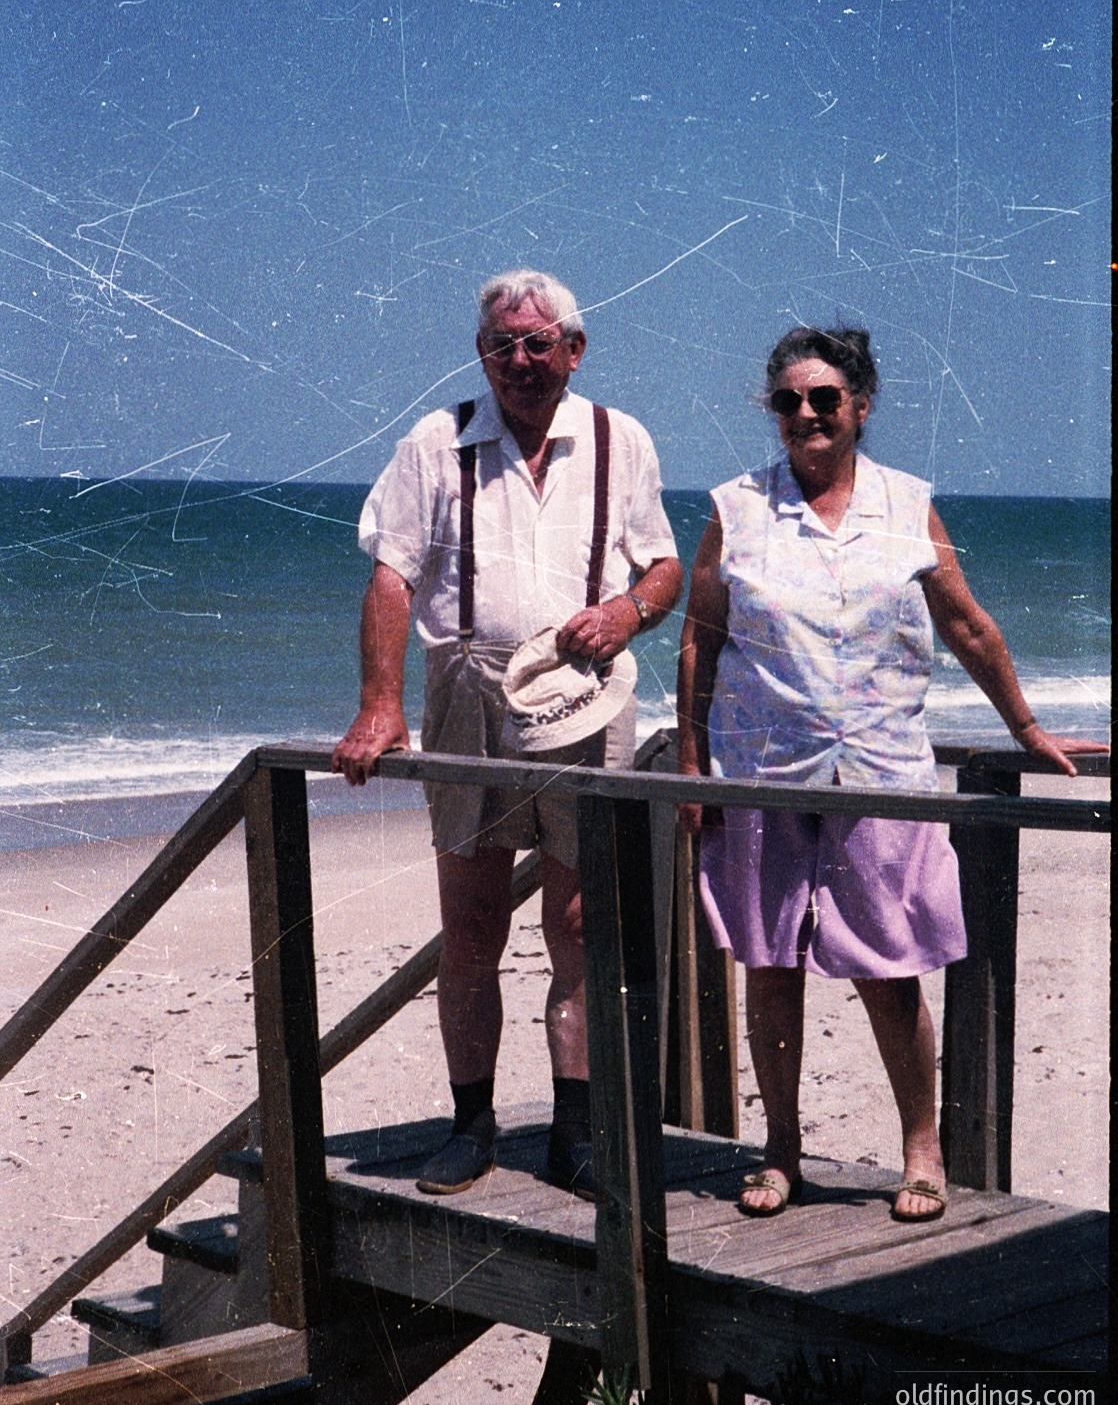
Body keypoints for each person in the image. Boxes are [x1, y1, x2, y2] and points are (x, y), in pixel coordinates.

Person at [675, 326, 1104, 1222]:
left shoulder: (909, 506)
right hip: (763, 770)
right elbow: (700, 640)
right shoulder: (736, 507)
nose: (806, 414)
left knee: (889, 965)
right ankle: (781, 1149)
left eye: (825, 399)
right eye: (789, 400)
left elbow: (968, 626)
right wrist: (688, 761)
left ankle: (922, 1149)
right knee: (769, 960)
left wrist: (1024, 725)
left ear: (860, 408)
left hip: (878, 764)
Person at [333, 269, 683, 1199]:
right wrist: (380, 705)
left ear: (575, 350)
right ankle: (470, 1124)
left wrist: (626, 613)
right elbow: (392, 576)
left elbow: (664, 566)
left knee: (576, 922)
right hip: (468, 694)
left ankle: (574, 1132)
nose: (522, 362)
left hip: (589, 698)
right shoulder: (432, 442)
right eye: (503, 346)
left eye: (540, 344)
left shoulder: (622, 439)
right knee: (472, 922)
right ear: (480, 353)